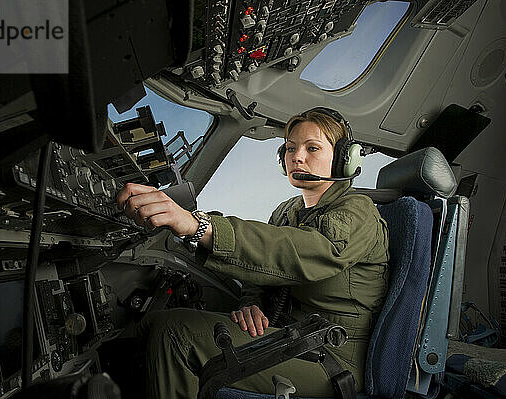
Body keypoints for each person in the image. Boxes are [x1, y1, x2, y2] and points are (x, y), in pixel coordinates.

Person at [115, 108, 389, 399]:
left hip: (330, 355)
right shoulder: (287, 211)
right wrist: (252, 303)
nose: (297, 156)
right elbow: (262, 272)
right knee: (151, 323)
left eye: (312, 148)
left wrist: (199, 226)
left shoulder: (358, 212)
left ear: (345, 159)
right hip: (293, 338)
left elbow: (291, 251)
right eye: (290, 148)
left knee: (176, 333)